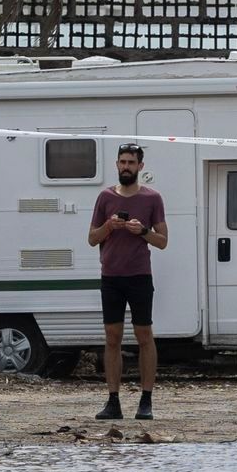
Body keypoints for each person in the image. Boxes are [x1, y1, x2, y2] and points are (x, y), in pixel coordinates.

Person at [88, 143, 168, 421]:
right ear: (116, 165)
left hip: (139, 276)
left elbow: (163, 242)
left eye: (131, 162)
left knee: (144, 336)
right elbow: (92, 239)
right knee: (112, 338)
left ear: (140, 167)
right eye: (122, 162)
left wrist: (142, 230)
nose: (126, 167)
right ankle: (113, 402)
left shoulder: (152, 198)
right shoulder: (105, 197)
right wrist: (109, 226)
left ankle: (146, 401)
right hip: (110, 277)